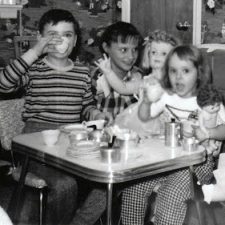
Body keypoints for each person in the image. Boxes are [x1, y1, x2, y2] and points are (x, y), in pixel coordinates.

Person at [0, 9, 111, 225]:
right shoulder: (34, 69)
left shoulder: (81, 72)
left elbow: (86, 105)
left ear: (75, 40)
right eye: (52, 35)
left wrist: (95, 113)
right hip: (35, 143)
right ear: (41, 39)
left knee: (107, 182)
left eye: (67, 35)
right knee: (65, 185)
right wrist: (35, 50)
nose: (60, 40)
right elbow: (4, 84)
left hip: (70, 140)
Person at [121, 45, 225, 225]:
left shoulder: (207, 98)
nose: (178, 76)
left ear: (199, 73)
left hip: (197, 163)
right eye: (173, 70)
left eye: (185, 70)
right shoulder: (167, 97)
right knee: (133, 188)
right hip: (165, 159)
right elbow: (146, 116)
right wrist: (146, 100)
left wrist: (207, 132)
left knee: (171, 195)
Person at [69, 21, 143, 225]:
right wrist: (95, 114)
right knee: (109, 185)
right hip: (96, 148)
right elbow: (81, 109)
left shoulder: (138, 78)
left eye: (135, 49)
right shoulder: (93, 76)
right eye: (123, 49)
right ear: (106, 48)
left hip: (129, 148)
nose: (130, 55)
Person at [95, 30, 180, 136]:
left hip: (163, 125)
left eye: (163, 54)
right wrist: (108, 72)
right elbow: (123, 88)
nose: (157, 56)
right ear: (148, 54)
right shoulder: (145, 80)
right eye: (154, 52)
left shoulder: (172, 81)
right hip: (140, 122)